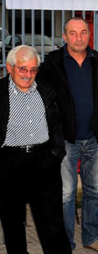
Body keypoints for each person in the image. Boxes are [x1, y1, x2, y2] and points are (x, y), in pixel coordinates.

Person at [37, 17, 98, 253]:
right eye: (73, 33)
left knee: (94, 190)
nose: (79, 38)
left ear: (89, 35)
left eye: (83, 33)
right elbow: (41, 99)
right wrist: (54, 132)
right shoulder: (52, 64)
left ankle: (92, 236)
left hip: (96, 139)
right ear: (64, 37)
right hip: (66, 142)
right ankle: (66, 242)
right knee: (66, 194)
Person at [0, 45, 71, 254]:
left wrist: (56, 153)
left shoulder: (46, 90)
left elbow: (57, 123)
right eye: (23, 69)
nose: (28, 75)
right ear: (10, 67)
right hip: (9, 163)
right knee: (12, 221)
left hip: (44, 161)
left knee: (52, 220)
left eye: (33, 70)